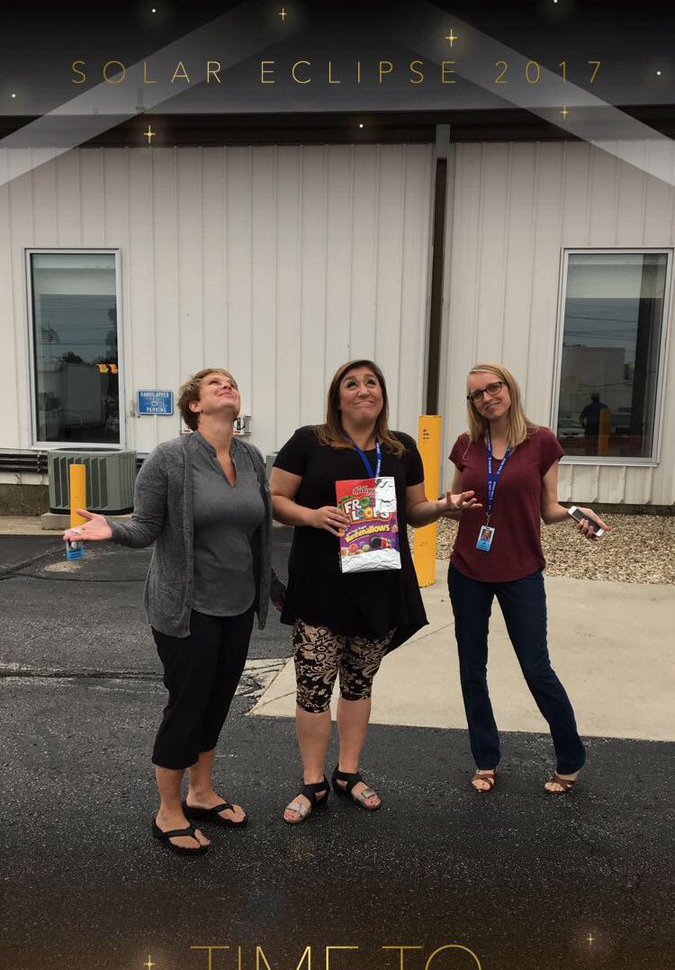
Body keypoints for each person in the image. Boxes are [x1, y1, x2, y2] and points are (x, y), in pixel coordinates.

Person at [63, 368, 283, 855]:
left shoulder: (248, 457)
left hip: (237, 604)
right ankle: (168, 810)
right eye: (214, 384)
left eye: (231, 381)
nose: (227, 385)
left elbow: (256, 533)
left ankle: (201, 792)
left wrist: (272, 587)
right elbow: (144, 527)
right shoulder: (171, 458)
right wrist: (112, 531)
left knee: (219, 698)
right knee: (188, 702)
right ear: (195, 406)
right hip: (187, 606)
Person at [270, 358, 480, 823]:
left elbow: (416, 511)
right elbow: (276, 500)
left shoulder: (401, 448)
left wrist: (445, 506)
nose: (363, 390)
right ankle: (312, 781)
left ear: (382, 394)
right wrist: (311, 515)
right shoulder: (310, 441)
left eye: (372, 383)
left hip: (379, 581)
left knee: (360, 683)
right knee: (313, 686)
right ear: (337, 396)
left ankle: (347, 773)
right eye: (352, 383)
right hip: (321, 582)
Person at [448, 362, 609, 794]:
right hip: (468, 569)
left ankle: (570, 757)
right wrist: (449, 503)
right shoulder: (466, 444)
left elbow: (548, 508)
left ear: (509, 388)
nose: (487, 397)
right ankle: (485, 759)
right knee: (471, 669)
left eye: (493, 387)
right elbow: (454, 500)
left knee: (536, 668)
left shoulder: (542, 442)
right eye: (477, 393)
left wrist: (579, 514)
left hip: (521, 569)